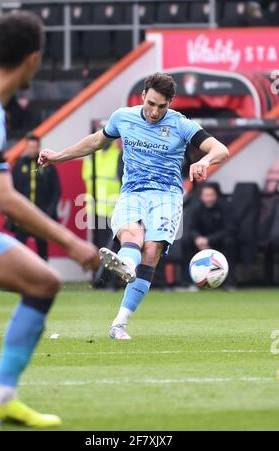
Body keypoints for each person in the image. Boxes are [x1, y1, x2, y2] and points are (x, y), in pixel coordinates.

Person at [39, 72, 229, 340]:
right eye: (150, 103)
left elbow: (221, 149)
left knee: (151, 251)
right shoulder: (122, 117)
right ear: (142, 96)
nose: (154, 111)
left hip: (166, 196)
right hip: (132, 193)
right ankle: (127, 263)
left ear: (170, 103)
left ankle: (119, 323)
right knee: (131, 235)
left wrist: (205, 161)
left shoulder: (182, 125)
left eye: (161, 106)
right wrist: (59, 156)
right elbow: (96, 141)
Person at [0, 11, 99, 428]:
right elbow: (3, 198)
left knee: (42, 280)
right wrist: (71, 242)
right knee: (44, 279)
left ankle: (1, 399)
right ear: (35, 59)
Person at [7, 133, 61, 260]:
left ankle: (43, 277)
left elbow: (56, 190)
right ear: (26, 148)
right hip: (22, 214)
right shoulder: (19, 165)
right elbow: (11, 188)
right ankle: (20, 276)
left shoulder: (47, 165)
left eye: (35, 147)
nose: (32, 150)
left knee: (42, 246)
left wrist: (50, 211)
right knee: (20, 247)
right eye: (30, 147)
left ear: (39, 148)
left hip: (40, 214)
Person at [82, 140, 122, 288]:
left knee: (112, 249)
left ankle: (112, 281)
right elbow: (87, 179)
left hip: (113, 209)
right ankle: (98, 280)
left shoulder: (118, 154)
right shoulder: (92, 156)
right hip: (95, 209)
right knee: (98, 247)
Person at [181, 183, 236, 289]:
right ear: (201, 196)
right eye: (206, 195)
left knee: (230, 242)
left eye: (211, 195)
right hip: (199, 242)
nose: (209, 198)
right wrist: (197, 238)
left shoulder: (225, 207)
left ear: (216, 195)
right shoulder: (195, 208)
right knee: (185, 241)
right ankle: (188, 282)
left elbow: (230, 229)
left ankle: (229, 283)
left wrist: (209, 240)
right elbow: (191, 227)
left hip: (218, 241)